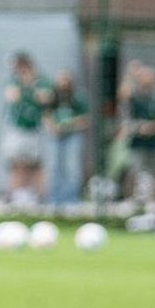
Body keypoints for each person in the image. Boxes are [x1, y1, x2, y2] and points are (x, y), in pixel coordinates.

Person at [1, 52, 47, 207]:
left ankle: (37, 195)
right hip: (17, 129)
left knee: (34, 163)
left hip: (33, 129)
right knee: (16, 162)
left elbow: (45, 98)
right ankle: (15, 194)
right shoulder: (14, 81)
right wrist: (28, 90)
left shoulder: (41, 81)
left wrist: (30, 89)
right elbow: (12, 96)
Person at [121, 63, 155, 210]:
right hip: (138, 142)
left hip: (154, 142)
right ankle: (130, 200)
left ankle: (153, 202)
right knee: (134, 171)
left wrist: (152, 127)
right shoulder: (136, 96)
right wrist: (130, 74)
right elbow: (123, 94)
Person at [45, 70, 91, 209]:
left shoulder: (78, 97)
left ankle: (72, 200)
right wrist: (52, 127)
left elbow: (85, 120)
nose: (62, 83)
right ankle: (54, 200)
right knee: (54, 167)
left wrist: (66, 126)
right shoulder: (53, 97)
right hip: (55, 137)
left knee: (72, 167)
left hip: (73, 136)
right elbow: (46, 114)